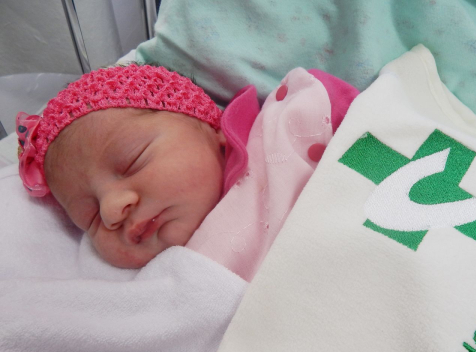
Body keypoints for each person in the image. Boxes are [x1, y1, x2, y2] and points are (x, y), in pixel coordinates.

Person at [16, 63, 358, 280]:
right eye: (89, 218)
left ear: (213, 127)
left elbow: (377, 123)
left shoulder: (283, 130)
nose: (111, 210)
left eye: (133, 161)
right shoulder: (163, 288)